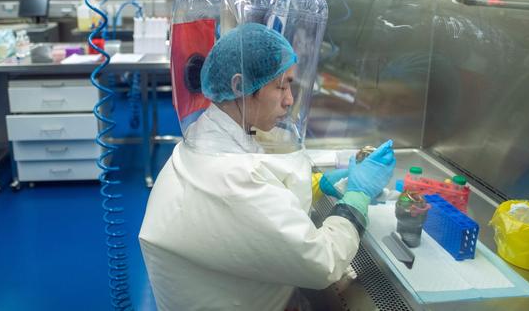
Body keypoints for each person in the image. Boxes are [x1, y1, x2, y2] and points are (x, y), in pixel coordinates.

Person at [139, 23, 396, 311]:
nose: (289, 100)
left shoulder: (209, 132)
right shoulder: (233, 178)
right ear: (239, 86)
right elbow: (322, 263)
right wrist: (357, 198)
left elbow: (255, 197)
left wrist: (317, 185)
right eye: (281, 85)